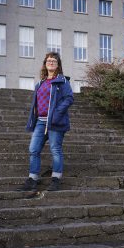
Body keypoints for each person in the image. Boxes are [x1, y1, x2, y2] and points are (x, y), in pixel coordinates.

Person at [18, 52, 74, 192]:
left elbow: (69, 98)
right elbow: (36, 104)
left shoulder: (63, 81)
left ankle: (55, 179)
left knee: (55, 149)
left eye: (54, 61)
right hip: (40, 122)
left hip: (55, 122)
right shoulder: (40, 83)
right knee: (33, 149)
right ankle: (32, 179)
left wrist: (56, 114)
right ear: (45, 64)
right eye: (49, 60)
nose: (51, 62)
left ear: (58, 65)